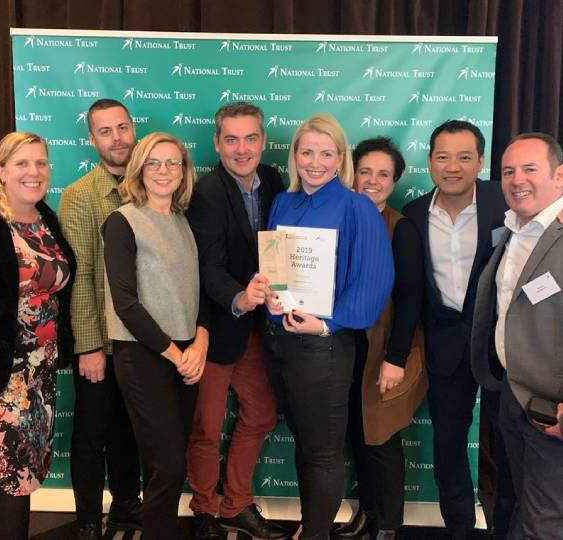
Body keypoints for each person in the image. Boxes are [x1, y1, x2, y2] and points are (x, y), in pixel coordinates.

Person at [263, 113, 394, 540]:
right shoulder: (284, 202)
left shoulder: (357, 206)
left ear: (341, 158)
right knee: (306, 443)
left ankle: (316, 533)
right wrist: (270, 296)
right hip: (282, 342)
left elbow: (374, 283)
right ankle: (311, 525)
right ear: (294, 155)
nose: (314, 162)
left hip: (324, 347)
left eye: (325, 153)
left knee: (322, 453)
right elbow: (277, 269)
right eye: (306, 152)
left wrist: (326, 323)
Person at [401, 120, 511, 539]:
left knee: (510, 445)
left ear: (480, 162)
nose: (453, 166)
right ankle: (460, 529)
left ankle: (508, 526)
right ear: (429, 162)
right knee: (449, 447)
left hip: (503, 348)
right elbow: (412, 292)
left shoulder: (507, 202)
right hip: (445, 348)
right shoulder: (412, 215)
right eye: (443, 157)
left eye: (464, 157)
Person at [185, 102, 286, 540]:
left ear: (263, 141)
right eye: (231, 139)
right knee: (206, 425)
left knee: (262, 414)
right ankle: (204, 508)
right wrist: (240, 298)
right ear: (217, 143)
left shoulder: (276, 182)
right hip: (215, 327)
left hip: (263, 329)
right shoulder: (206, 193)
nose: (241, 149)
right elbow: (207, 267)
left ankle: (236, 503)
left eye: (250, 138)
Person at [102, 131, 208, 540]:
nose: (164, 171)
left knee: (167, 463)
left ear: (183, 173)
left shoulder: (182, 221)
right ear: (139, 169)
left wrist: (199, 344)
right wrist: (174, 354)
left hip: (184, 355)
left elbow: (199, 294)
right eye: (154, 163)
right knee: (168, 467)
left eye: (173, 163)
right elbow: (126, 304)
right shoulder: (123, 222)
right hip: (144, 356)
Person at [471, 133, 563, 539]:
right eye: (508, 171)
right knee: (518, 503)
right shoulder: (513, 228)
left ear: (560, 176)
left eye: (530, 169)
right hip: (515, 394)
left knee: (543, 521)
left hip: (554, 411)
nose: (516, 179)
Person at [334, 138, 427, 540]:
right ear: (352, 174)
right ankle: (368, 514)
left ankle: (388, 526)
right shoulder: (336, 218)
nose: (372, 180)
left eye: (383, 174)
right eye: (365, 171)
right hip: (341, 349)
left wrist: (396, 358)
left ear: (394, 182)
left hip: (382, 351)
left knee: (382, 437)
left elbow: (410, 300)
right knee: (357, 434)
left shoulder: (399, 228)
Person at [59, 99, 142, 540]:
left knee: (130, 428)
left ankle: (129, 506)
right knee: (92, 432)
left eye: (122, 127)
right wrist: (90, 345)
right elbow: (82, 276)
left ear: (134, 129)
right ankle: (88, 518)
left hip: (143, 339)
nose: (117, 138)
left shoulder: (153, 184)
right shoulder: (80, 196)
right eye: (105, 131)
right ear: (92, 140)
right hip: (102, 340)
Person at [0, 131, 75, 539]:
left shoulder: (46, 219)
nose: (33, 171)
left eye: (40, 163)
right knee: (8, 475)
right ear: (0, 170)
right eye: (22, 163)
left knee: (23, 472)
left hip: (39, 374)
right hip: (2, 378)